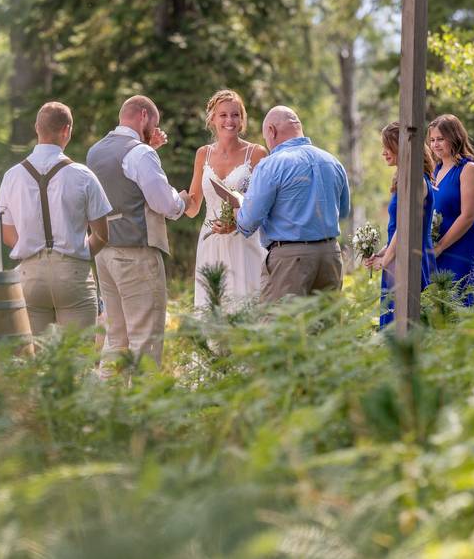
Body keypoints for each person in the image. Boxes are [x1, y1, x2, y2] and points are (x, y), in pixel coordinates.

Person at [86, 95, 192, 365]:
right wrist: (182, 201)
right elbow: (163, 203)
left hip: (104, 253)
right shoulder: (140, 153)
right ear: (143, 116)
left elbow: (125, 185)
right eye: (153, 124)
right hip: (136, 254)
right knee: (146, 339)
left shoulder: (95, 151)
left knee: (115, 340)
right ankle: (143, 406)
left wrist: (149, 149)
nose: (153, 131)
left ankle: (109, 403)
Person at [0, 102, 112, 336]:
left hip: (29, 275)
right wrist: (77, 255)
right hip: (72, 274)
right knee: (78, 360)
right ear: (67, 130)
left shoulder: (12, 176)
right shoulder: (83, 175)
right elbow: (102, 235)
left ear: (36, 128)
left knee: (36, 362)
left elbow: (7, 235)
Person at [224, 106, 350, 302]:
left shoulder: (271, 164)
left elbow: (248, 222)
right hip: (330, 256)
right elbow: (342, 212)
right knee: (326, 328)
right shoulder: (332, 162)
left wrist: (237, 206)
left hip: (290, 260)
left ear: (272, 131)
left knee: (281, 327)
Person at [185, 90, 268, 310]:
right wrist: (169, 198)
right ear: (212, 118)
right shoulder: (203, 154)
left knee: (246, 304)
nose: (229, 120)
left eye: (235, 115)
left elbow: (265, 204)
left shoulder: (257, 153)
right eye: (223, 115)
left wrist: (237, 221)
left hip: (245, 240)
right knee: (214, 305)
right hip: (210, 241)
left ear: (242, 120)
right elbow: (193, 207)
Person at [363, 122, 436, 328]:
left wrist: (385, 261)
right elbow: (397, 228)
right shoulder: (403, 177)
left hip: (411, 257)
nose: (384, 153)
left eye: (388, 146)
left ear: (402, 147)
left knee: (407, 325)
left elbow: (406, 227)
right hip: (398, 255)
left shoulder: (416, 181)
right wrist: (381, 253)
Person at [428, 114, 474, 302]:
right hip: (439, 249)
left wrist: (440, 247)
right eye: (432, 140)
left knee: (467, 305)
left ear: (454, 137)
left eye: (441, 139)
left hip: (464, 246)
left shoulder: (468, 168)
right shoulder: (435, 170)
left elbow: (468, 216)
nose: (435, 145)